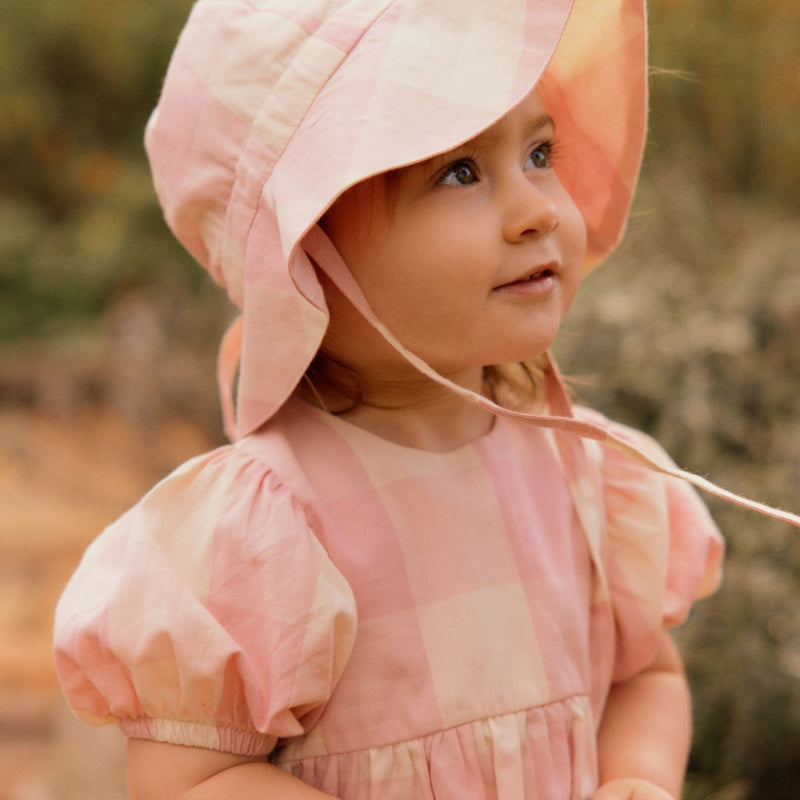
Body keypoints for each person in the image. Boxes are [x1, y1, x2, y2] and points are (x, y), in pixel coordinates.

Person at [52, 1, 799, 798]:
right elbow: (191, 778)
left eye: (541, 152)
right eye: (460, 172)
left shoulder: (587, 477)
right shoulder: (271, 528)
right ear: (309, 250)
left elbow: (645, 674)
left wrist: (638, 779)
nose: (540, 209)